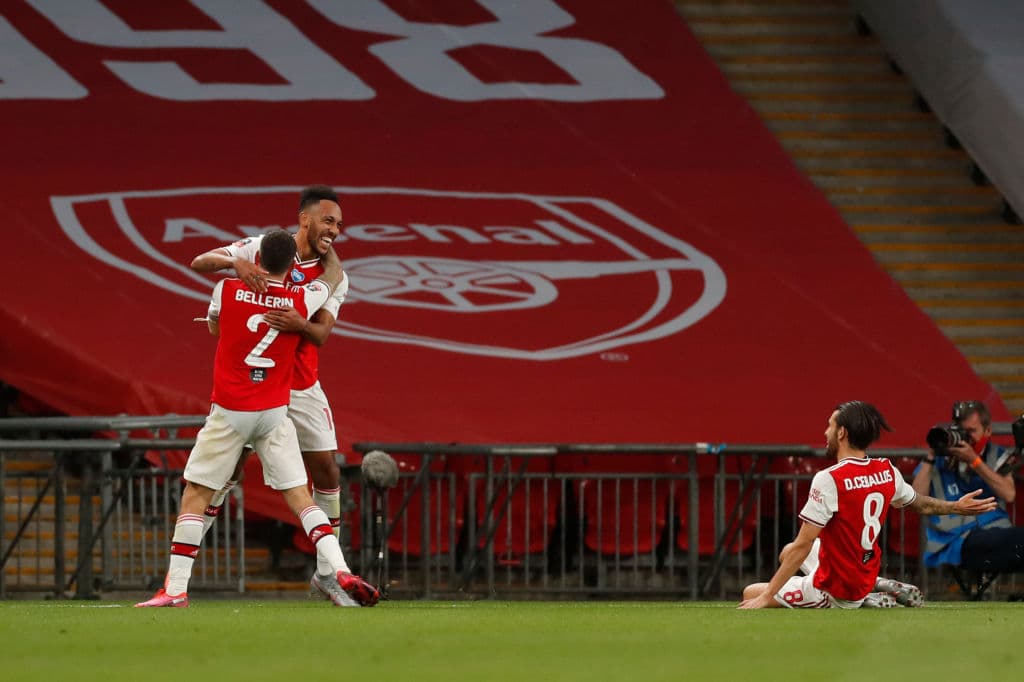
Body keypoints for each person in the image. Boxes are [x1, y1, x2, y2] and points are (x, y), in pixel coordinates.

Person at [136, 229, 378, 608]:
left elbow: (215, 325)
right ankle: (341, 569)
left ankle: (176, 589)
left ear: (258, 258)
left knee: (198, 493)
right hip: (273, 413)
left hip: (231, 413)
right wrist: (329, 250)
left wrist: (236, 272)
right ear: (292, 264)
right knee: (300, 497)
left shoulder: (226, 290)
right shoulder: (302, 299)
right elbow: (331, 279)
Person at [189, 185, 350, 588]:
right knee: (227, 474)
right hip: (256, 385)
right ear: (304, 219)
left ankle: (328, 572)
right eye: (328, 221)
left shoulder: (336, 277)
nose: (334, 230)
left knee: (326, 468)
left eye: (339, 225)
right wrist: (237, 264)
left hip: (301, 385)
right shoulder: (261, 248)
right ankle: (182, 567)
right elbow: (201, 261)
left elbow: (321, 335)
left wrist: (300, 324)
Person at [739, 401, 996, 609]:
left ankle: (863, 599)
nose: (826, 432)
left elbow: (804, 544)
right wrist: (956, 506)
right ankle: (875, 584)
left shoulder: (830, 479)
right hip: (862, 570)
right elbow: (921, 504)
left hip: (834, 590)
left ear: (842, 433)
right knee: (787, 551)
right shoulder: (886, 470)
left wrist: (767, 597)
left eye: (830, 426)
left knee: (751, 592)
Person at [912, 400, 1024, 581]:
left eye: (971, 431)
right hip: (954, 539)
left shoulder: (997, 455)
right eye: (961, 430)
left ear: (987, 431)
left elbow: (1008, 494)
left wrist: (974, 461)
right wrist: (932, 455)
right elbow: (915, 497)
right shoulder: (939, 459)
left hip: (996, 532)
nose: (965, 437)